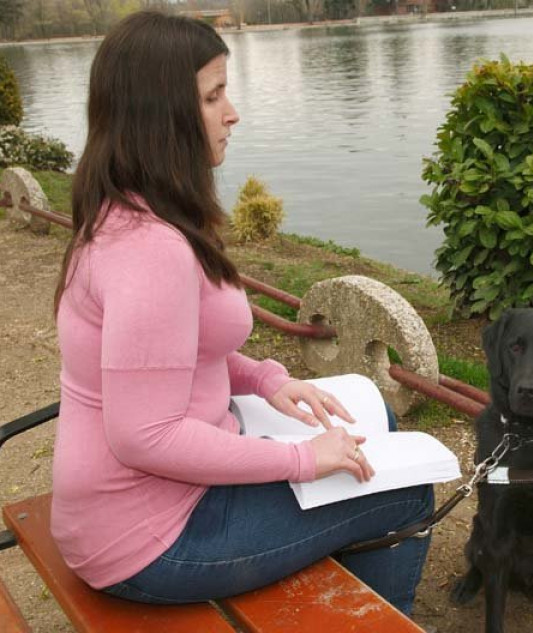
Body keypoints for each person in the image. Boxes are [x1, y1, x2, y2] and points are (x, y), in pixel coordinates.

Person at [51, 10, 433, 615]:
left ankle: (325, 583)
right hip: (152, 536)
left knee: (373, 415)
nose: (233, 112)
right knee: (405, 489)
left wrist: (265, 378)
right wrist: (302, 461)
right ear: (163, 117)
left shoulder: (129, 211)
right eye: (212, 95)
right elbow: (145, 438)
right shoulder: (150, 250)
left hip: (134, 506)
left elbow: (175, 353)